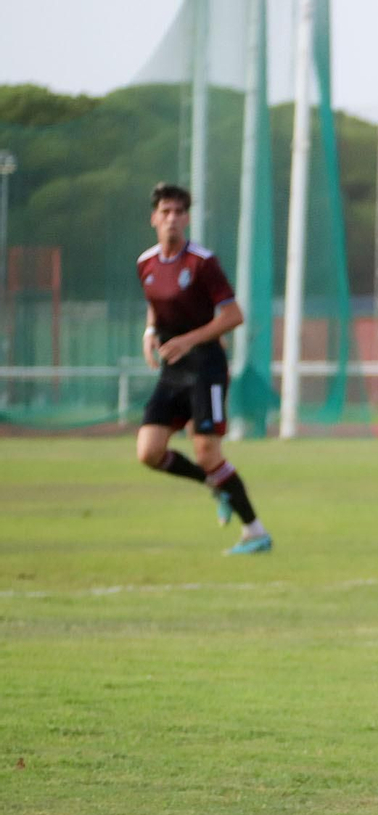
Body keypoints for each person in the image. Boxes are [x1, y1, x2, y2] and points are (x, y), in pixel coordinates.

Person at [134, 182, 271, 555]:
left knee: (208, 451)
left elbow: (234, 316)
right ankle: (213, 485)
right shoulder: (145, 263)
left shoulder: (202, 263)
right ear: (154, 219)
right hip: (173, 367)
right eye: (165, 211)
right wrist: (150, 331)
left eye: (179, 212)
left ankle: (255, 532)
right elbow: (155, 302)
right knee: (148, 452)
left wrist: (189, 340)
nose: (172, 218)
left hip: (206, 366)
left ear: (187, 218)